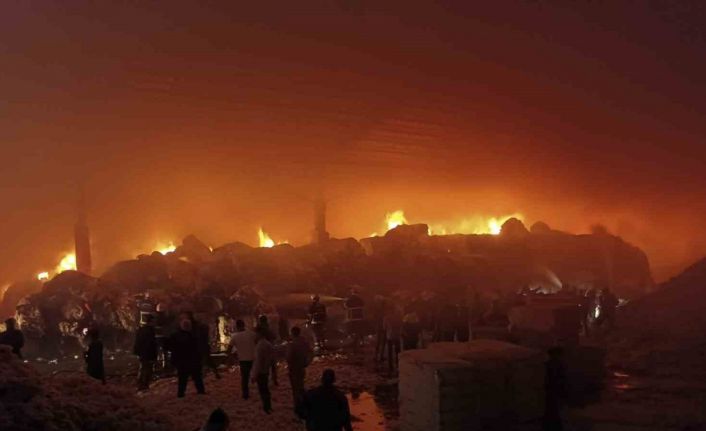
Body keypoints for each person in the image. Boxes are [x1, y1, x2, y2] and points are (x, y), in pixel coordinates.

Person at [166, 318, 205, 398]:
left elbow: (169, 347)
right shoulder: (193, 336)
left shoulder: (175, 336)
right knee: (197, 377)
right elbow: (198, 349)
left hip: (181, 361)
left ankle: (181, 393)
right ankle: (200, 391)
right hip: (192, 360)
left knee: (182, 378)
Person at [286, 326, 313, 414]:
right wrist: (307, 362)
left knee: (295, 389)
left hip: (294, 368)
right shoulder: (304, 343)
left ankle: (298, 407)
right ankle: (303, 404)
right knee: (301, 386)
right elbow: (311, 353)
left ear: (293, 333)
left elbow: (289, 357)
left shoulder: (292, 344)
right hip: (302, 367)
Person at [187, 312, 221, 380]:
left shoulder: (200, 327)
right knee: (207, 360)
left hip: (201, 345)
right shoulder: (203, 326)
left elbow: (198, 336)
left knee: (203, 360)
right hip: (203, 345)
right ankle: (215, 373)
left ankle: (204, 374)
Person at [229, 319, 256, 399]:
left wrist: (230, 357)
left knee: (244, 377)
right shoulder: (252, 334)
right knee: (256, 375)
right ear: (244, 325)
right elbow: (258, 342)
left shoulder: (235, 336)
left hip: (243, 359)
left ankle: (245, 394)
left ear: (237, 326)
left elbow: (229, 348)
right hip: (253, 357)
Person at [252, 326, 275, 413]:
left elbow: (258, 361)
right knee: (266, 389)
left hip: (261, 371)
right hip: (266, 369)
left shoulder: (260, 346)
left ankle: (266, 407)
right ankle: (268, 406)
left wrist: (254, 374)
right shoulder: (268, 344)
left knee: (262, 390)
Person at [543, 347, 567, 431]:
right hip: (554, 390)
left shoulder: (549, 364)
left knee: (552, 410)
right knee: (554, 410)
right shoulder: (558, 364)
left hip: (551, 390)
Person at [134, 314, 159, 391]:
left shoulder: (141, 330)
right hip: (148, 353)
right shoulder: (150, 331)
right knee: (147, 369)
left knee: (142, 368)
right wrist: (154, 355)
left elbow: (137, 342)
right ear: (150, 321)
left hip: (142, 353)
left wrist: (137, 352)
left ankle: (140, 384)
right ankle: (144, 385)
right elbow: (152, 344)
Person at [255, 314, 278, 386]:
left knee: (263, 365)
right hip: (270, 347)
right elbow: (274, 336)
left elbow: (255, 339)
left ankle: (265, 380)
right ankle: (274, 380)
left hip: (261, 348)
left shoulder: (258, 329)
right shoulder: (269, 328)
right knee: (272, 365)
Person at [383, 307, 403, 373]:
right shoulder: (398, 317)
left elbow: (384, 328)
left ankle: (390, 366)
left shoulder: (386, 318)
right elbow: (401, 325)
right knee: (398, 351)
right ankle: (398, 364)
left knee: (390, 352)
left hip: (389, 336)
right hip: (397, 335)